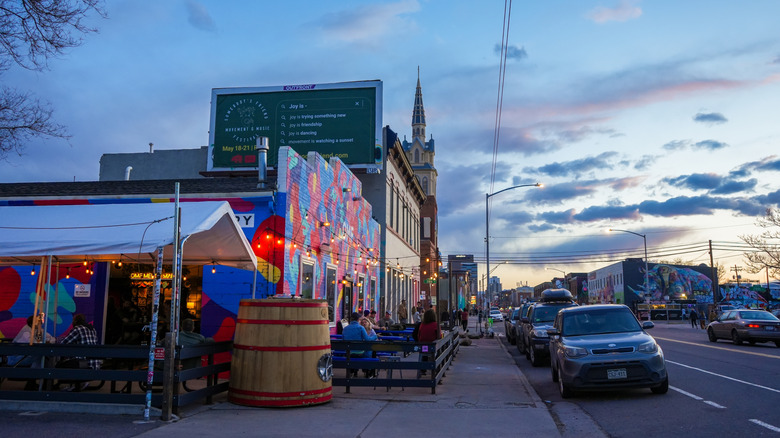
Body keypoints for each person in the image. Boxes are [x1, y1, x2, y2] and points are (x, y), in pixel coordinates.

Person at [341, 312, 375, 378]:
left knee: (356, 352)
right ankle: (367, 371)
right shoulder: (361, 328)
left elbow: (343, 339)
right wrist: (375, 337)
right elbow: (367, 339)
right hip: (360, 353)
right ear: (358, 319)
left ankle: (353, 371)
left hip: (348, 353)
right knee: (369, 352)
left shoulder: (345, 329)